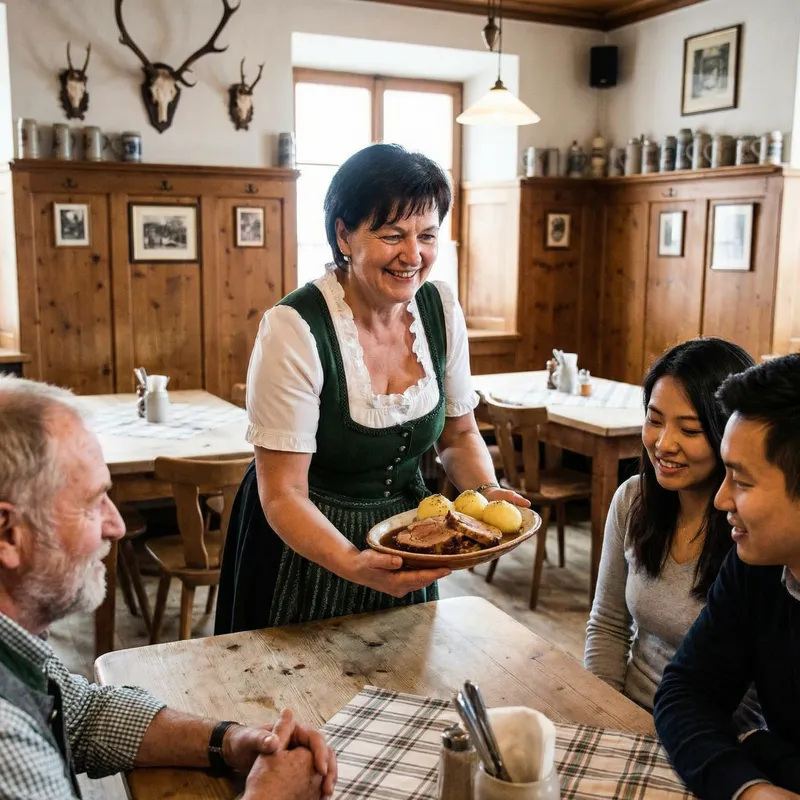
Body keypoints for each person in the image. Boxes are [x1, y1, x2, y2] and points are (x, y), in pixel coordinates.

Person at [215, 143, 527, 634]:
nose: (413, 255)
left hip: (410, 537)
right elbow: (283, 494)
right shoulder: (294, 328)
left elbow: (460, 436)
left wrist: (485, 496)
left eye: (427, 235)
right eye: (391, 235)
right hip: (304, 547)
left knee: (404, 686)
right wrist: (351, 560)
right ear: (344, 234)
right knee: (296, 698)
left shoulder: (440, 311)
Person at [0, 376, 336, 800]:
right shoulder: (8, 747)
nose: (116, 525)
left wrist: (230, 741)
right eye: (91, 503)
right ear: (7, 534)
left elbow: (80, 714)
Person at [654, 354, 800, 800]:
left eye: (742, 480)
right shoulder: (758, 566)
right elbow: (686, 691)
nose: (721, 500)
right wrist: (748, 787)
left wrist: (765, 748)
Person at [584, 337, 756, 713]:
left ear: (731, 433)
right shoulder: (633, 500)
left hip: (713, 739)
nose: (664, 443)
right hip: (626, 712)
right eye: (654, 419)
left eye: (690, 430)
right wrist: (603, 714)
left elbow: (755, 696)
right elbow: (608, 625)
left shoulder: (755, 530)